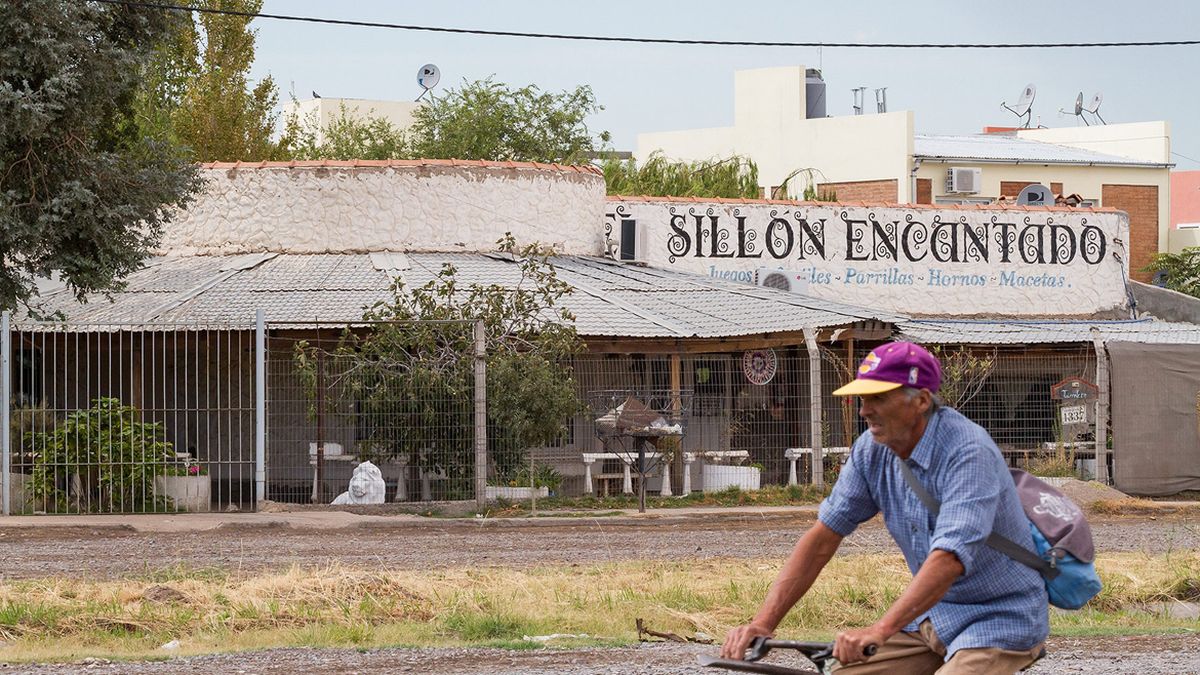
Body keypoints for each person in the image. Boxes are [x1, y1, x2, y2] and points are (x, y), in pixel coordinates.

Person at [721, 342, 1048, 674]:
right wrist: (762, 624)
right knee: (840, 672)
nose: (864, 411)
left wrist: (878, 631)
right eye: (863, 399)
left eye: (877, 398)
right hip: (931, 616)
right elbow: (823, 538)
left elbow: (948, 560)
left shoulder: (968, 453)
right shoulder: (871, 451)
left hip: (998, 618)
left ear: (921, 400)